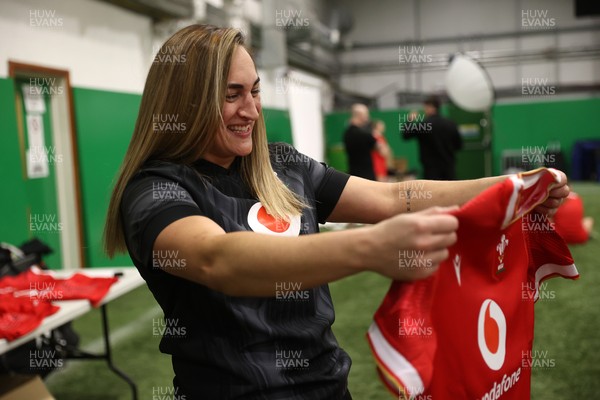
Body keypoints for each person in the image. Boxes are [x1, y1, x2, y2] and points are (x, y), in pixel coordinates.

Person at [102, 24, 569, 400]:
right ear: (187, 102)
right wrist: (368, 248)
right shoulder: (155, 188)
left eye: (256, 91)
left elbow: (394, 198)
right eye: (232, 94)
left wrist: (515, 187)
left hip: (328, 387)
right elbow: (216, 259)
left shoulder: (282, 164)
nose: (252, 110)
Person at [402, 95, 463, 180]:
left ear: (431, 107)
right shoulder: (451, 123)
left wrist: (410, 120)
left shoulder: (424, 125)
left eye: (426, 107)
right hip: (449, 167)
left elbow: (405, 135)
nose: (424, 110)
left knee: (434, 193)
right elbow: (459, 145)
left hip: (431, 170)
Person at [343, 104, 377, 180]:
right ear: (360, 115)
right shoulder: (365, 134)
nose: (368, 117)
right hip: (367, 176)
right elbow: (382, 150)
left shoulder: (347, 133)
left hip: (353, 175)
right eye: (366, 114)